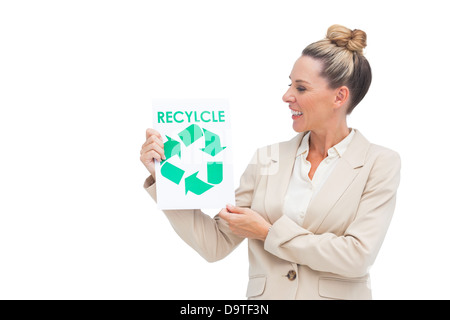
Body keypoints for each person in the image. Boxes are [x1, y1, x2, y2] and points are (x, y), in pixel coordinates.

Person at [140, 24, 401, 300]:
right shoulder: (268, 158)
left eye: (300, 88)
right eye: (290, 84)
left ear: (339, 96)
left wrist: (268, 233)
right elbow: (214, 244)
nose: (287, 96)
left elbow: (357, 256)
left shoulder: (379, 163)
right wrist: (166, 178)